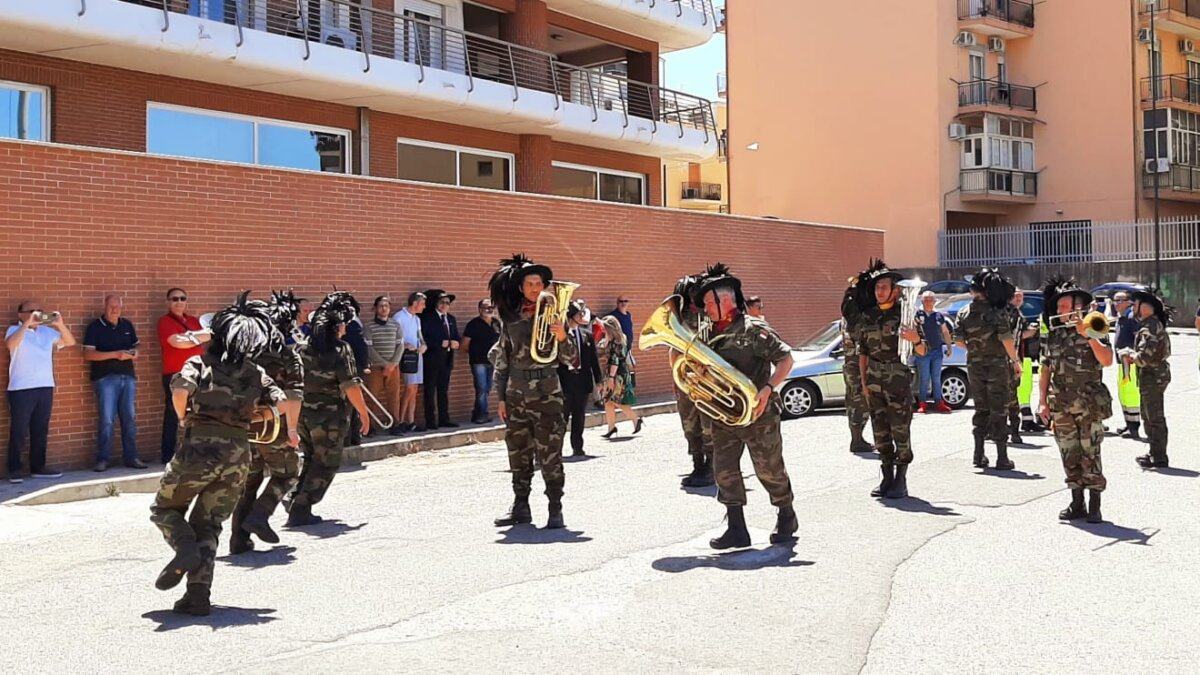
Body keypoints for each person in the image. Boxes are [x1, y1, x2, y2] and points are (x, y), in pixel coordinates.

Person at [150, 293, 295, 616]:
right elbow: (282, 403)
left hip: (199, 448)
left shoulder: (199, 363)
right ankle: (198, 596)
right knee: (210, 523)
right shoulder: (255, 371)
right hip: (238, 455)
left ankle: (184, 548)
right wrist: (254, 415)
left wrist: (183, 416)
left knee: (164, 509)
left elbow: (179, 390)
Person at [688, 263, 796, 548]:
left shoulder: (754, 329)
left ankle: (786, 512)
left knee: (769, 469)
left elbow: (786, 360)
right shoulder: (708, 334)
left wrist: (768, 388)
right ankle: (737, 528)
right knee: (724, 470)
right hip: (724, 415)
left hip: (758, 415)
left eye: (709, 303)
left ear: (725, 301)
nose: (705, 309)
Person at [489, 254, 577, 530]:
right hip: (516, 395)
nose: (535, 288)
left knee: (550, 453)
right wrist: (500, 397)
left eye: (539, 283)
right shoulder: (510, 319)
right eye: (529, 283)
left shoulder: (555, 315)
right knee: (518, 452)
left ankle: (555, 507)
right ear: (521, 287)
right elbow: (502, 360)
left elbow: (572, 360)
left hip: (547, 394)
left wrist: (563, 336)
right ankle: (521, 506)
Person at [286, 292, 372, 527]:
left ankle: (293, 496)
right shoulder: (340, 350)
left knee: (312, 457)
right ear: (337, 327)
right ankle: (302, 507)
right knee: (326, 462)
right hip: (329, 417)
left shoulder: (302, 349)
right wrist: (363, 413)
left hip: (304, 414)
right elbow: (351, 385)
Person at [230, 290, 306, 554]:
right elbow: (294, 397)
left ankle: (238, 540)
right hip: (276, 426)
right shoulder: (288, 356)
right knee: (287, 473)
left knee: (249, 481)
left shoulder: (242, 354)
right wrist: (293, 430)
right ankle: (259, 516)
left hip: (246, 425)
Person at [1038, 277, 1114, 524]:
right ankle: (1076, 502)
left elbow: (1107, 360)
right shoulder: (1054, 334)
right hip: (1060, 403)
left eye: (1064, 306)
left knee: (1090, 451)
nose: (1060, 310)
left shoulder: (1096, 325)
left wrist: (1089, 335)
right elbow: (1046, 367)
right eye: (1058, 307)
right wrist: (1042, 400)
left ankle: (1094, 505)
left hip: (1089, 404)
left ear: (1078, 306)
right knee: (1068, 452)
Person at [856, 260, 924, 499]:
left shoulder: (905, 315)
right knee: (880, 431)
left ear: (895, 291)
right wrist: (864, 383)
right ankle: (886, 476)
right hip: (874, 381)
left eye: (884, 287)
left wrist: (915, 339)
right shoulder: (868, 317)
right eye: (877, 288)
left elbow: (923, 351)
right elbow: (863, 352)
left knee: (900, 430)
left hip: (898, 382)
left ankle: (901, 479)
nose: (879, 292)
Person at [954, 269, 1020, 470]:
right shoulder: (997, 313)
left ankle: (978, 454)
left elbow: (958, 341)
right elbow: (1007, 340)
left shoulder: (963, 312)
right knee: (999, 409)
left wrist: (976, 349)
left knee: (980, 408)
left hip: (974, 365)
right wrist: (1015, 361)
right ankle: (1002, 457)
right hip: (997, 366)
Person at [5, 300, 74, 482]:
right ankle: (14, 469)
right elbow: (10, 345)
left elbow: (70, 341)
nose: (36, 314)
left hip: (45, 386)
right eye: (31, 311)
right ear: (20, 314)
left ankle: (38, 467)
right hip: (21, 388)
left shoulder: (47, 332)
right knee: (19, 430)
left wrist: (60, 324)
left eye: (40, 311)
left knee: (40, 429)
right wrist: (27, 324)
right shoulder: (14, 330)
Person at [83, 294, 147, 472]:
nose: (115, 310)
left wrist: (134, 353)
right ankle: (103, 459)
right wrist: (115, 354)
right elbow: (88, 354)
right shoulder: (95, 327)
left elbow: (138, 346)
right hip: (105, 378)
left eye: (118, 307)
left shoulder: (127, 325)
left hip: (128, 377)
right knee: (107, 419)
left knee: (129, 419)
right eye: (112, 306)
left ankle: (132, 457)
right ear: (104, 306)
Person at [156, 288, 209, 464]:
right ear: (168, 302)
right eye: (174, 299)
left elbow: (209, 335)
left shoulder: (195, 321)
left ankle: (196, 453)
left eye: (182, 298)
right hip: (175, 374)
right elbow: (176, 342)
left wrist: (190, 337)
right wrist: (196, 338)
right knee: (173, 414)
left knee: (199, 413)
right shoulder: (165, 322)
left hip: (198, 373)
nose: (179, 302)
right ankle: (168, 456)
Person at [673, 274, 716, 486]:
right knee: (689, 425)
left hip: (707, 379)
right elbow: (674, 349)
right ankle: (698, 463)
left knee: (708, 424)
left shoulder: (708, 316)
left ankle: (711, 466)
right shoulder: (678, 318)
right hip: (686, 379)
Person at [1127, 288, 1172, 469]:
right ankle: (1154, 453)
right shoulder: (1151, 324)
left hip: (1152, 377)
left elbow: (1144, 358)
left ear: (1144, 307)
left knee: (1154, 417)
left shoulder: (1150, 327)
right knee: (1148, 415)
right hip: (1152, 376)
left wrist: (1130, 355)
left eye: (1135, 304)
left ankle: (1159, 456)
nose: (1133, 308)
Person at [557, 300, 602, 457]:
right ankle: (557, 449)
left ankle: (578, 447)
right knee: (561, 418)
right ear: (571, 316)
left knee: (579, 416)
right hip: (564, 381)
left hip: (582, 381)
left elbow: (593, 360)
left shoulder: (586, 335)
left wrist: (599, 380)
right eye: (579, 313)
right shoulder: (560, 333)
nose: (582, 316)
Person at [840, 268, 875, 454]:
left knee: (853, 401)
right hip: (857, 362)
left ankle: (857, 438)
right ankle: (857, 439)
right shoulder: (857, 313)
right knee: (860, 401)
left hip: (849, 362)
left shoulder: (848, 309)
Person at [363, 295, 404, 436]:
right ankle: (370, 427)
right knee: (372, 397)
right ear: (375, 308)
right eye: (380, 306)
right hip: (375, 367)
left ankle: (395, 425)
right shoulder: (368, 327)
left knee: (394, 397)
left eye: (386, 306)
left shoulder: (395, 325)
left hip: (393, 367)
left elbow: (400, 345)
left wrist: (392, 364)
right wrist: (384, 364)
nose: (384, 308)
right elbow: (369, 348)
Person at [597, 315, 643, 439]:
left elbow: (615, 359)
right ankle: (611, 428)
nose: (603, 330)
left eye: (605, 328)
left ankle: (636, 419)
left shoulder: (619, 341)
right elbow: (600, 351)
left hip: (618, 374)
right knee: (608, 401)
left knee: (616, 400)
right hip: (610, 372)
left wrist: (611, 378)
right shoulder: (607, 339)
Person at [420, 289, 460, 429]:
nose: (444, 305)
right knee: (430, 390)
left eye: (447, 303)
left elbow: (455, 336)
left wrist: (456, 342)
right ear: (436, 303)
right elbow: (423, 338)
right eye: (441, 302)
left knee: (443, 390)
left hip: (447, 359)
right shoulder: (428, 318)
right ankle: (431, 421)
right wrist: (438, 344)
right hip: (431, 359)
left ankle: (444, 419)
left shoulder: (451, 319)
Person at [462, 299, 501, 424]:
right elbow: (464, 344)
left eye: (492, 307)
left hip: (493, 362)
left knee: (487, 388)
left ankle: (477, 413)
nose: (490, 309)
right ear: (479, 310)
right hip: (478, 362)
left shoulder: (496, 323)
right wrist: (475, 353)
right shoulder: (473, 324)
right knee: (481, 388)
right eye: (486, 307)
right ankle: (482, 415)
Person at [913, 290, 953, 414]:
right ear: (922, 301)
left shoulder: (939, 316)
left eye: (931, 299)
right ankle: (923, 403)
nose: (928, 302)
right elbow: (913, 330)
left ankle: (939, 402)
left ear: (935, 301)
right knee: (924, 378)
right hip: (923, 351)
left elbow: (945, 332)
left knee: (936, 378)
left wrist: (949, 346)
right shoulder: (917, 315)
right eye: (926, 299)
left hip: (937, 351)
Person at [393, 292, 427, 433]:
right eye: (422, 304)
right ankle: (400, 421)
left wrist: (424, 344)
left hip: (417, 356)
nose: (424, 307)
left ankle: (411, 420)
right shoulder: (399, 317)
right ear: (415, 303)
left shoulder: (417, 319)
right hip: (406, 357)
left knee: (415, 388)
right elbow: (394, 336)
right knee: (409, 387)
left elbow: (420, 336)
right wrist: (405, 345)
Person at [1110, 291, 1142, 439]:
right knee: (1123, 394)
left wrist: (1133, 354)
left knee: (1131, 395)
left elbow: (1139, 338)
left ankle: (1134, 427)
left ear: (1128, 302)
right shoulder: (1121, 317)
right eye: (1114, 300)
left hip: (1130, 363)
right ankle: (1128, 423)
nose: (1116, 303)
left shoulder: (1131, 317)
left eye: (1119, 300)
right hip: (1121, 362)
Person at [343, 313, 370, 446]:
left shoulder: (352, 324)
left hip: (351, 369)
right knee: (351, 407)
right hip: (350, 368)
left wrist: (364, 365)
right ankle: (353, 437)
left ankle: (350, 438)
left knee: (349, 406)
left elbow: (361, 345)